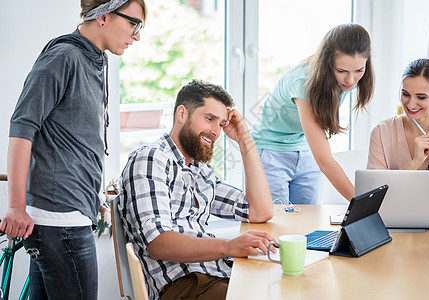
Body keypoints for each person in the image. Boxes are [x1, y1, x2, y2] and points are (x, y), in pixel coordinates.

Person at [0, 0, 146, 299]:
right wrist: (15, 206)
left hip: (69, 214)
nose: (137, 36)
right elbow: (22, 127)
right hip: (59, 220)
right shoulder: (64, 56)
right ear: (104, 16)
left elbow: (77, 140)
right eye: (134, 23)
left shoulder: (94, 60)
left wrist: (92, 200)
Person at [118, 80, 275, 300]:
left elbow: (260, 211)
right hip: (186, 286)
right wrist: (229, 246)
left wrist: (244, 140)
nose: (215, 132)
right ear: (182, 114)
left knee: (286, 287)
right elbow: (158, 243)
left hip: (217, 275)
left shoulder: (199, 170)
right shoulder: (152, 159)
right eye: (209, 119)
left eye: (220, 124)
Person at [251, 23, 374, 204]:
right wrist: (363, 205)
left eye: (359, 70)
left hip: (304, 148)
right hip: (270, 150)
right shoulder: (303, 82)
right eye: (341, 71)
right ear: (327, 63)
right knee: (275, 222)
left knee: (307, 220)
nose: (350, 79)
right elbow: (324, 159)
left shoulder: (348, 78)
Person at [367, 58, 429, 187]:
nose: (410, 104)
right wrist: (414, 163)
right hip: (391, 208)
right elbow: (373, 191)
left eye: (421, 97)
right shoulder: (381, 132)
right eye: (406, 94)